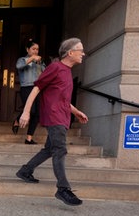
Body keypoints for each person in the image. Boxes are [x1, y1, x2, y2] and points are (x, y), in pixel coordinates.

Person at [15, 38, 89, 206]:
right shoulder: (55, 67)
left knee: (50, 149)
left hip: (62, 116)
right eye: (80, 50)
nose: (83, 53)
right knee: (60, 149)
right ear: (70, 53)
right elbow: (37, 87)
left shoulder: (67, 72)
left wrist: (76, 112)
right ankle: (63, 189)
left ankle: (25, 171)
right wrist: (26, 112)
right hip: (54, 116)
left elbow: (63, 100)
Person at [12, 40, 45, 144]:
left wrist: (40, 64)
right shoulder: (22, 60)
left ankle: (29, 138)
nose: (36, 51)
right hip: (27, 88)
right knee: (31, 110)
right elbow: (19, 67)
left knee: (37, 113)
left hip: (38, 89)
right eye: (33, 49)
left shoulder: (40, 62)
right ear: (28, 49)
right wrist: (32, 59)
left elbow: (45, 74)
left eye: (37, 49)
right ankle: (17, 120)